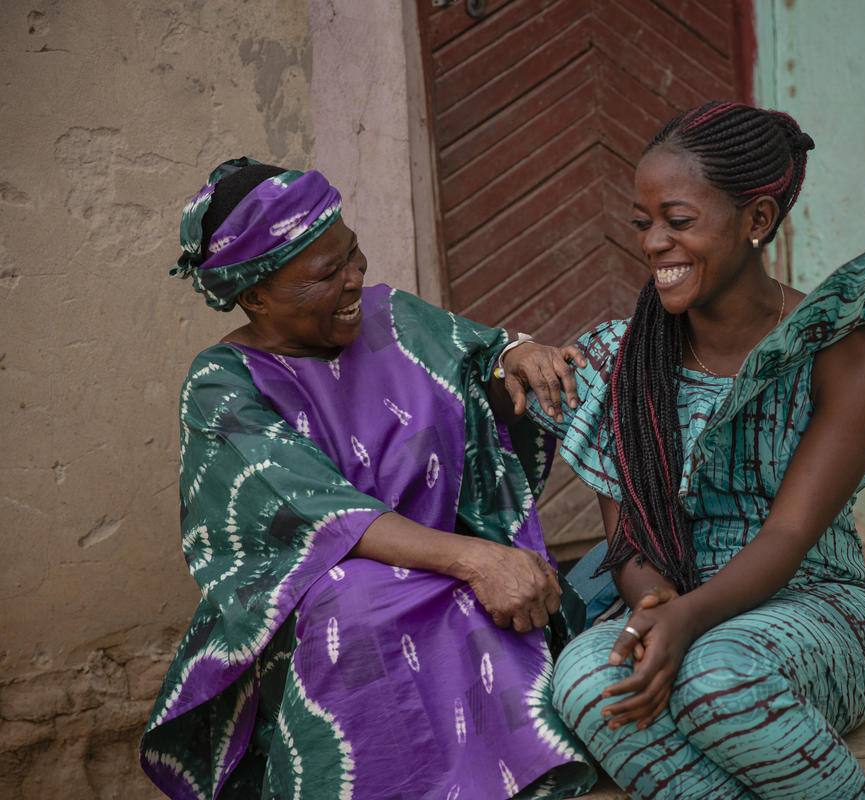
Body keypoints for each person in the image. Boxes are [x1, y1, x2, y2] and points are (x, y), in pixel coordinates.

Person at [524, 102, 865, 799]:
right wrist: (652, 613)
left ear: (756, 221)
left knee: (716, 678)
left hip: (814, 605)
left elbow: (791, 533)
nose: (653, 244)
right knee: (585, 679)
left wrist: (687, 621)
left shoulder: (841, 354)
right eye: (645, 224)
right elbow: (629, 534)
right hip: (668, 595)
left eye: (679, 221)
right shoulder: (620, 358)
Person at [139, 158, 599, 799]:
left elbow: (480, 358)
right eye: (328, 274)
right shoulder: (224, 385)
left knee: (460, 599)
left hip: (450, 565)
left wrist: (520, 355)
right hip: (317, 608)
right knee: (355, 604)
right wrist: (477, 560)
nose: (356, 279)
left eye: (353, 255)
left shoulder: (395, 319)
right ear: (255, 296)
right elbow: (320, 515)